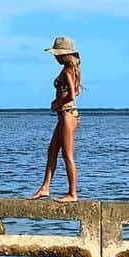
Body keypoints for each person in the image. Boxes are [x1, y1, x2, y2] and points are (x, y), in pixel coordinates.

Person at [28, 35, 82, 201]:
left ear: (63, 55)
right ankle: (45, 188)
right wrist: (59, 102)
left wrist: (58, 103)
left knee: (67, 155)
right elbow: (77, 91)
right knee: (52, 151)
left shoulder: (67, 70)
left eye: (57, 54)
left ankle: (73, 194)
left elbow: (72, 95)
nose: (55, 58)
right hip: (66, 114)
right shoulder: (72, 69)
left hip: (67, 115)